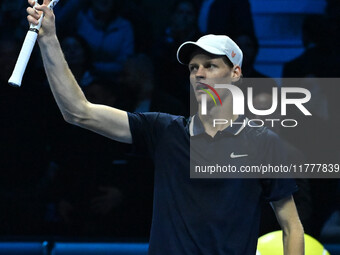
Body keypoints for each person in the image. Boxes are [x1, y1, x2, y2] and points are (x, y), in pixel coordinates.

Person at [26, 1, 304, 254]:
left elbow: (292, 227)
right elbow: (78, 111)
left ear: (235, 73)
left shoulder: (263, 143)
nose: (200, 74)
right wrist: (49, 37)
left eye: (210, 65)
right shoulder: (164, 130)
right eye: (194, 68)